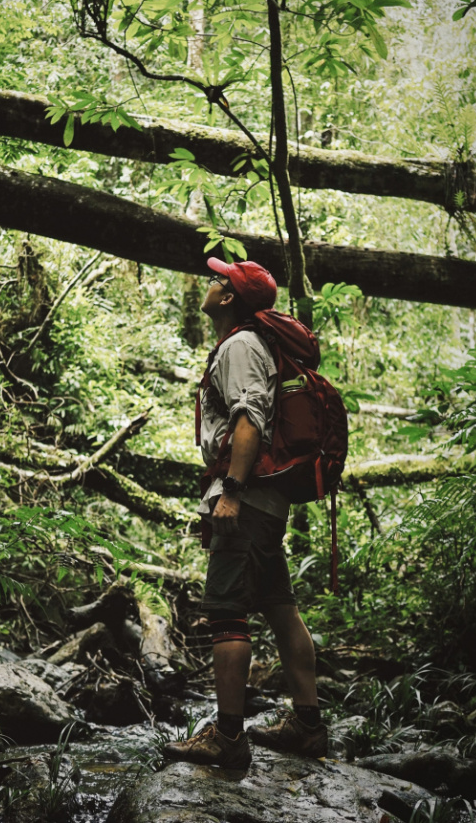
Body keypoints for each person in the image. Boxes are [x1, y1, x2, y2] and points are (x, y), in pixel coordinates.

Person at [164, 257, 328, 770]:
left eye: (218, 280)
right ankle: (306, 725)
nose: (210, 285)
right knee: (278, 605)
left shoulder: (238, 346)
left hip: (248, 496)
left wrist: (230, 492)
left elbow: (248, 421)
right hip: (265, 499)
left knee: (226, 612)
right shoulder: (254, 345)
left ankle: (229, 737)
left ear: (230, 297)